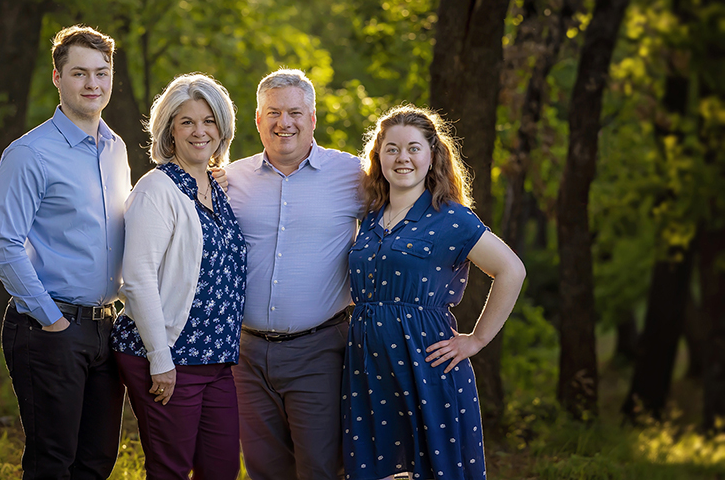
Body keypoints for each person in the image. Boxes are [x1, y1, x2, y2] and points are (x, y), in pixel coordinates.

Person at [342, 105, 526, 480]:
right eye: (391, 148)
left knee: (432, 469)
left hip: (426, 364)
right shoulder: (371, 215)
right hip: (367, 366)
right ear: (378, 156)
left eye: (413, 148)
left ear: (432, 156)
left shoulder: (451, 218)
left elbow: (511, 270)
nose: (402, 158)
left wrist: (476, 340)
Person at [0, 25, 130, 480]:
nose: (92, 84)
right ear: (57, 78)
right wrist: (52, 319)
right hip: (50, 328)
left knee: (97, 460)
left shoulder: (117, 148)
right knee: (53, 462)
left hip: (106, 329)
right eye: (79, 73)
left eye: (101, 73)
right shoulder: (30, 153)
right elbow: (3, 244)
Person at [226, 69, 364, 480]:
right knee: (263, 468)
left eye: (294, 112)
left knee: (320, 468)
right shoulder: (230, 179)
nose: (284, 122)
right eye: (273, 112)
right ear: (257, 120)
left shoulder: (352, 175)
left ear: (312, 119)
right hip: (245, 354)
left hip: (320, 350)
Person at [111, 73, 246, 480]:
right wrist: (160, 360)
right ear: (170, 129)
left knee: (220, 468)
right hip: (169, 356)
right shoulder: (157, 190)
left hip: (217, 361)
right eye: (187, 121)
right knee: (170, 470)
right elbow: (136, 279)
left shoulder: (216, 187)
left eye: (209, 121)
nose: (199, 131)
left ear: (222, 128)